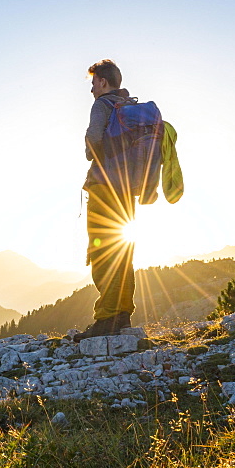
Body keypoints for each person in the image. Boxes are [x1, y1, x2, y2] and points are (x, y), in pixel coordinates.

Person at [75, 59, 137, 340]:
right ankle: (122, 315)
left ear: (102, 81)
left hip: (104, 188)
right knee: (122, 253)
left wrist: (94, 156)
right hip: (127, 190)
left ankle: (106, 319)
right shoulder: (131, 108)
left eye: (92, 83)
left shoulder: (102, 105)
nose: (91, 89)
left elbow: (93, 138)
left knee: (102, 253)